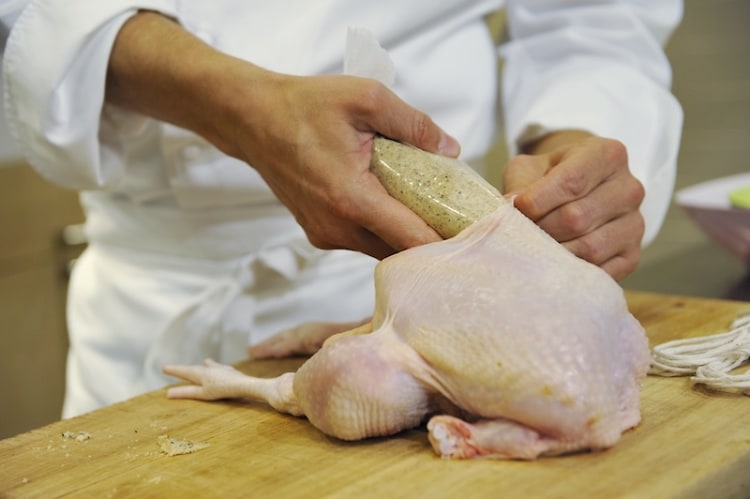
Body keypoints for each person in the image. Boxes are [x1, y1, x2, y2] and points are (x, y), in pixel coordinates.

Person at [0, 0, 683, 417]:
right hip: (158, 299)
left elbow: (592, 18)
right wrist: (242, 109)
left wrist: (581, 135)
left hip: (441, 278)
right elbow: (33, 16)